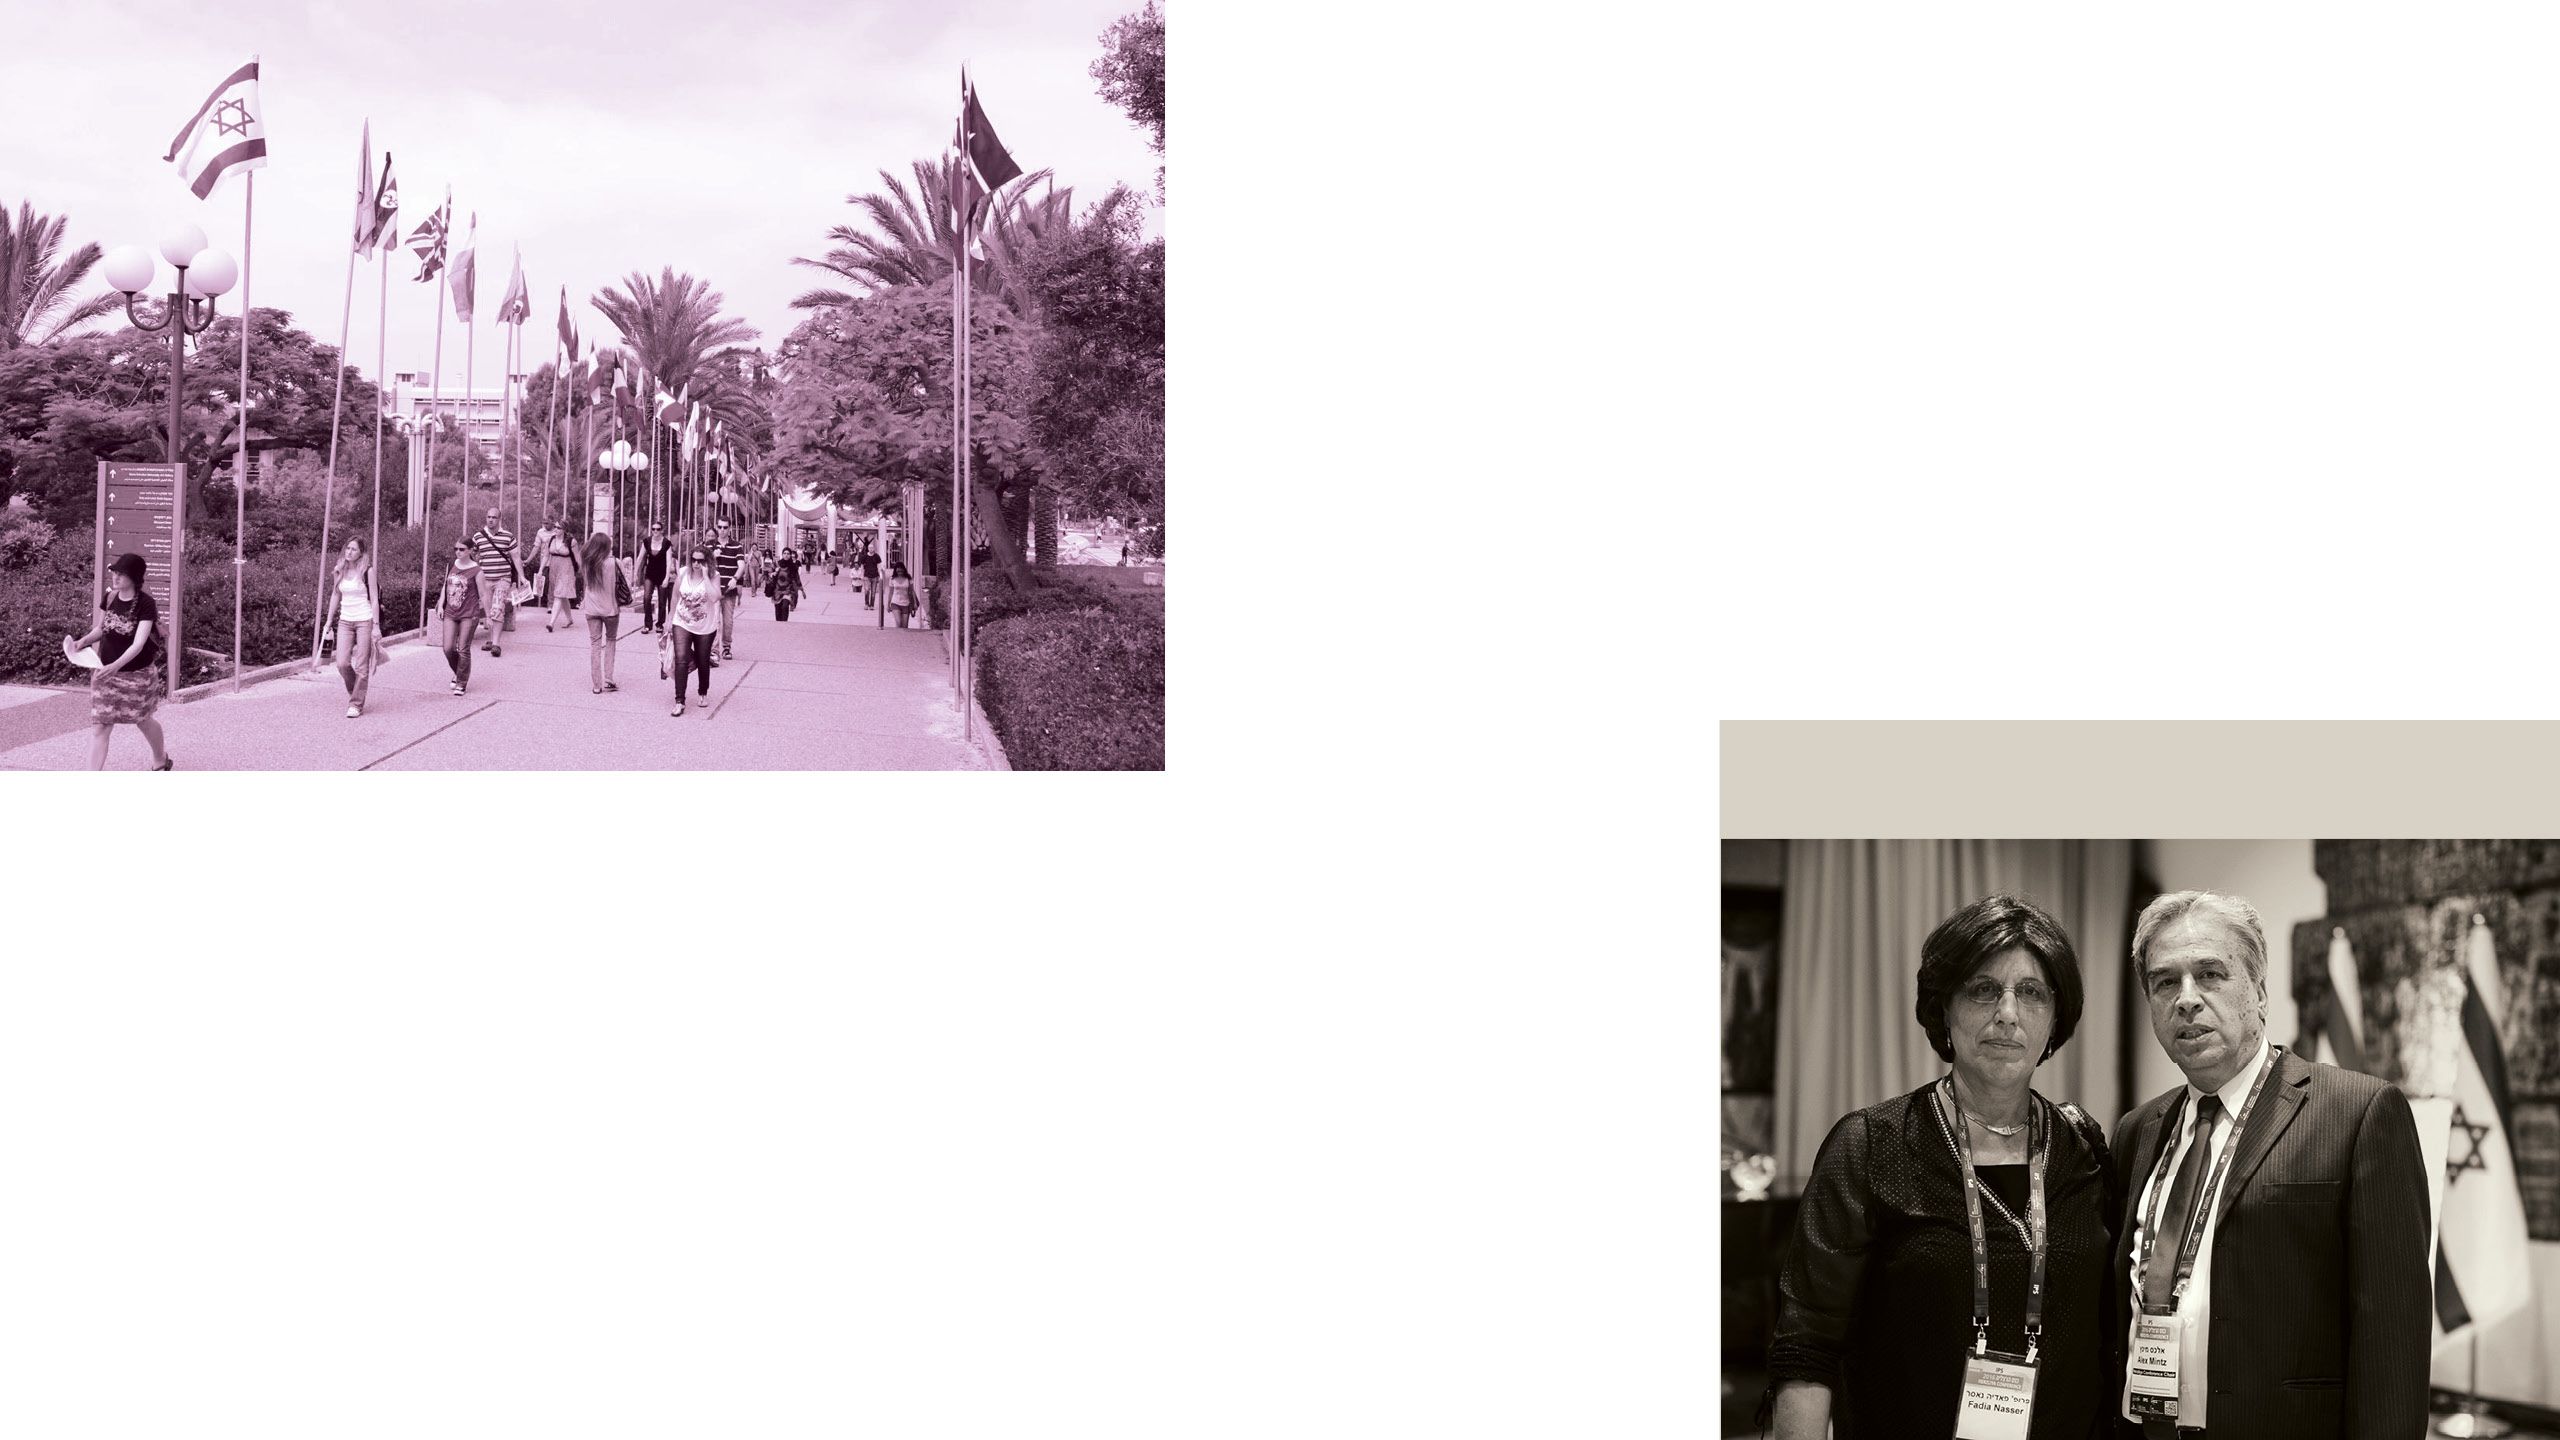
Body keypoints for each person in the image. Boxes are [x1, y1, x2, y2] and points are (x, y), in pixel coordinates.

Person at [1770, 894, 2117, 1440]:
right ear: (1944, 1010)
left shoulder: (2083, 1148)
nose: (2008, 1013)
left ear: (2055, 1019)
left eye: (2030, 993)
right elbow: (1807, 1345)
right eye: (1983, 990)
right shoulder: (1871, 1145)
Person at [2108, 891, 2429, 1440]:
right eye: (2166, 982)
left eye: (2210, 974)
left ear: (2258, 992)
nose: (2186, 999)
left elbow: (2393, 1340)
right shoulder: (2138, 1130)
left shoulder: (2358, 1113)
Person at [68, 551, 171, 770]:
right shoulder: (110, 597)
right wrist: (83, 642)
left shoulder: (146, 604)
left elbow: (138, 644)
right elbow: (100, 628)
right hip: (105, 673)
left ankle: (160, 758)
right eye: (114, 572)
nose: (115, 577)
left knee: (143, 721)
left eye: (121, 574)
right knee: (100, 727)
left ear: (134, 577)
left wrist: (115, 666)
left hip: (137, 675)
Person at [324, 535, 383, 718]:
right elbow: (335, 595)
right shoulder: (339, 570)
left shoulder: (368, 571)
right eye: (348, 548)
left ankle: (356, 704)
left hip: (364, 619)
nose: (349, 552)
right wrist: (328, 622)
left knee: (362, 665)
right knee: (342, 663)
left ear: (361, 553)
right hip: (345, 621)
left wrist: (376, 625)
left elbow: (374, 598)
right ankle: (356, 692)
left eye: (354, 549)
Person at [667, 544, 720, 716]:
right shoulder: (683, 573)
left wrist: (705, 575)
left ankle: (702, 692)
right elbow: (675, 596)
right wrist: (669, 619)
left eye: (701, 561)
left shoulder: (714, 576)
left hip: (705, 626)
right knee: (681, 659)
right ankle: (679, 701)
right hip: (681, 622)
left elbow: (714, 597)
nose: (696, 564)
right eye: (694, 560)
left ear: (707, 562)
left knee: (702, 660)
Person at [468, 507, 523, 658]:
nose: (490, 519)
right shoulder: (478, 537)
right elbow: (470, 554)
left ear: (499, 519)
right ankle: (492, 640)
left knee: (498, 608)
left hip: (502, 579)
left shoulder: (508, 536)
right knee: (489, 612)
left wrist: (522, 577)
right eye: (488, 517)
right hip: (484, 580)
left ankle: (496, 644)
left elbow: (516, 557)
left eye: (494, 517)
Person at [580, 531, 628, 695]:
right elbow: (625, 583)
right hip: (611, 609)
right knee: (611, 641)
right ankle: (608, 678)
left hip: (591, 609)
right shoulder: (615, 563)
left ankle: (596, 684)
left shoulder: (587, 562)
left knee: (595, 645)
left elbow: (586, 584)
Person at [434, 538, 485, 695]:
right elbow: (445, 585)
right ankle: (459, 671)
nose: (458, 552)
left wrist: (488, 616)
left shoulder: (477, 571)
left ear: (470, 550)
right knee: (448, 648)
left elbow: (483, 594)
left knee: (463, 648)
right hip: (451, 611)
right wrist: (441, 603)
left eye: (462, 549)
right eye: (456, 548)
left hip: (469, 614)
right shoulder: (451, 564)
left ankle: (461, 682)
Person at [709, 520, 746, 660]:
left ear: (730, 528)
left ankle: (726, 647)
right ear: (717, 528)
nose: (722, 530)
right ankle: (714, 649)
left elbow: (741, 565)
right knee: (715, 621)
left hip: (729, 589)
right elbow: (700, 563)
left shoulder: (737, 546)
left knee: (728, 621)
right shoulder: (709, 545)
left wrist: (735, 579)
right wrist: (713, 556)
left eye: (725, 527)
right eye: (720, 527)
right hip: (713, 589)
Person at [535, 518, 579, 632]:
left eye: (559, 527)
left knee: (558, 595)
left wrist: (582, 572)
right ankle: (569, 619)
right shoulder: (551, 539)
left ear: (564, 529)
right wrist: (541, 570)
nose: (556, 529)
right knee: (562, 596)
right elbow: (545, 556)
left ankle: (551, 623)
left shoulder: (571, 541)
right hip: (554, 569)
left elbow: (578, 558)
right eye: (555, 526)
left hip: (566, 570)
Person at [637, 522, 674, 634]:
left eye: (658, 529)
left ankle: (660, 624)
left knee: (662, 601)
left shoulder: (667, 543)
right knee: (646, 598)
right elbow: (640, 558)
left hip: (662, 575)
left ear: (662, 530)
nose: (655, 531)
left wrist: (667, 578)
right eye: (653, 529)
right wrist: (635, 572)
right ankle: (647, 625)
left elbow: (669, 562)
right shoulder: (646, 542)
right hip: (650, 574)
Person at [884, 559, 916, 629]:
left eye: (901, 571)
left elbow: (912, 591)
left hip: (906, 603)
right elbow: (891, 592)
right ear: (895, 571)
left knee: (905, 626)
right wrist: (888, 605)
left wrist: (915, 603)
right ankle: (897, 639)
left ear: (904, 570)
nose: (900, 573)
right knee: (898, 623)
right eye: (898, 571)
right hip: (895, 603)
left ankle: (903, 639)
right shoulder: (892, 579)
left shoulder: (908, 578)